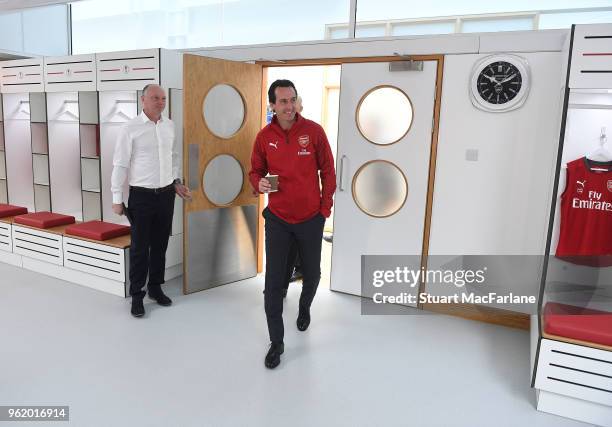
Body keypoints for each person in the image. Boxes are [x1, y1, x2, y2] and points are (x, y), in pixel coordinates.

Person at [249, 80, 336, 369]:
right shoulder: (264, 137)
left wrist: (324, 209)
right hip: (278, 219)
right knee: (273, 283)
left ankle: (304, 307)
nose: (288, 106)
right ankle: (277, 342)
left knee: (312, 274)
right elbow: (255, 171)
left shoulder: (313, 132)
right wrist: (257, 183)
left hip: (311, 218)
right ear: (272, 105)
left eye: (292, 100)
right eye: (282, 101)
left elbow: (328, 171)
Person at [111, 84, 191, 318]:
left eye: (163, 98)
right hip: (141, 196)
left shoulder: (169, 126)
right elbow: (120, 164)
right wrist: (117, 198)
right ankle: (137, 295)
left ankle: (155, 288)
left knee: (160, 245)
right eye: (155, 98)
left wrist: (176, 181)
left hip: (166, 194)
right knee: (139, 248)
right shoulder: (130, 128)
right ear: (143, 100)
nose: (160, 102)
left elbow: (172, 157)